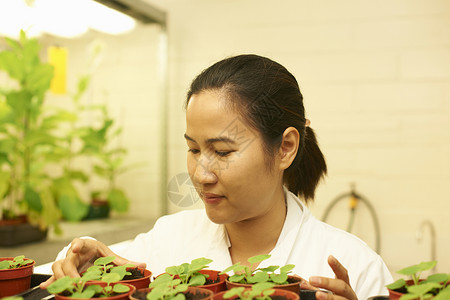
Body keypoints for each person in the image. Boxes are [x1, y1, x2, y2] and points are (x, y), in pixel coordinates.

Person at [40, 54, 392, 300]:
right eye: (193, 150)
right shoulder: (170, 240)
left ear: (285, 147)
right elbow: (66, 269)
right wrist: (87, 264)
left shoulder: (354, 267)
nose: (200, 174)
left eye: (222, 152)